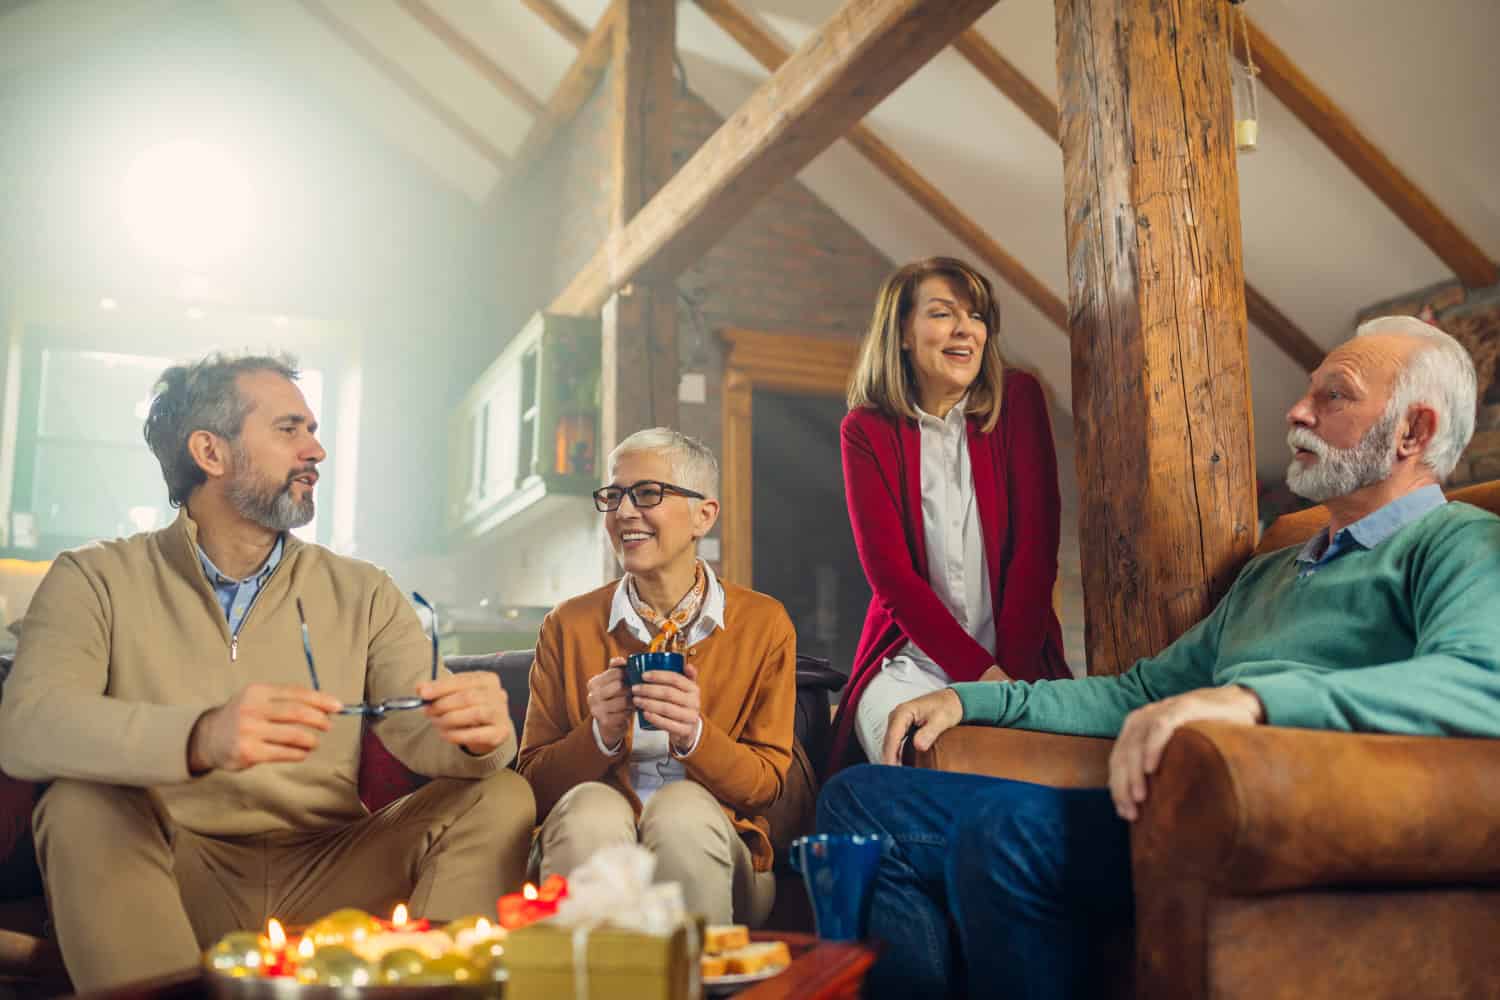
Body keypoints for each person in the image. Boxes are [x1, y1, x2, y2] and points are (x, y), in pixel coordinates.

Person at [818, 316, 1500, 1000]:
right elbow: (1138, 692)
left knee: (1003, 834)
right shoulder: (1274, 571)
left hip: (1279, 818)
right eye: (1307, 391)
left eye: (1334, 397)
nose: (1297, 411)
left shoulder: (1458, 542)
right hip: (1173, 807)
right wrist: (974, 697)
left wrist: (1251, 701)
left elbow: (1479, 683)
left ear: (1413, 433)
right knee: (858, 801)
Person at [0, 353, 535, 991]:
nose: (317, 450)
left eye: (313, 428)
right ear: (210, 451)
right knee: (78, 801)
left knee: (499, 793)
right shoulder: (93, 577)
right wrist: (201, 736)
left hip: (332, 865)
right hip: (173, 867)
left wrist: (477, 734)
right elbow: (29, 725)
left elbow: (421, 728)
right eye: (290, 429)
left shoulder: (363, 589)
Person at [518, 428, 796, 926]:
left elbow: (766, 787)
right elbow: (533, 786)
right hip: (597, 829)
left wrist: (695, 735)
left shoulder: (764, 623)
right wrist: (598, 735)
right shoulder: (567, 625)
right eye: (614, 495)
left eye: (647, 494)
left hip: (718, 846)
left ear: (703, 516)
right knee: (589, 812)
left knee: (682, 810)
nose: (624, 512)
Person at [829, 256, 1070, 768]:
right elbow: (891, 577)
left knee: (1016, 768)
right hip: (912, 663)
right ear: (902, 334)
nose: (966, 329)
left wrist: (1004, 685)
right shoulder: (864, 431)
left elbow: (1035, 553)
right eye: (942, 314)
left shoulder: (1021, 400)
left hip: (1018, 663)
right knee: (919, 759)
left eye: (977, 316)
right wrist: (976, 678)